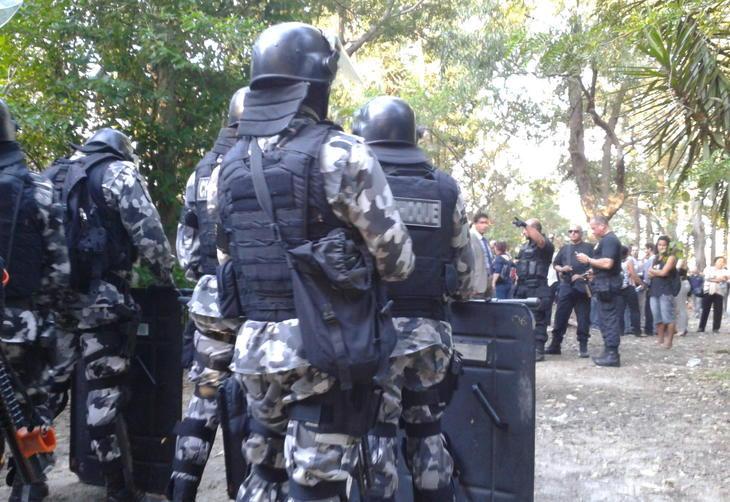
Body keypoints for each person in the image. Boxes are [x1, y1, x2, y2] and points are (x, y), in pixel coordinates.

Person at [215, 23, 414, 501]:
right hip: (322, 350)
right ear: (318, 84)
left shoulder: (228, 164)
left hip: (254, 351)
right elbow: (397, 262)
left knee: (264, 473)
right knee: (317, 485)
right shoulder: (341, 153)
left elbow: (225, 253)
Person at [352, 95, 473, 501]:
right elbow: (465, 272)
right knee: (427, 430)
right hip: (430, 334)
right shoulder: (445, 187)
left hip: (375, 335)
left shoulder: (357, 184)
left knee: (378, 432)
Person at [44, 128, 174, 501]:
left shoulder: (54, 175)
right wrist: (163, 279)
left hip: (55, 305)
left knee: (45, 395)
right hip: (103, 307)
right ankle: (119, 490)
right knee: (102, 401)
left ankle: (26, 478)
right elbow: (150, 238)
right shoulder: (119, 173)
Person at [168, 88, 247, 501]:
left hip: (210, 302)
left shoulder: (201, 171)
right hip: (258, 307)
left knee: (204, 400)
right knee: (262, 405)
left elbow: (186, 245)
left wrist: (204, 281)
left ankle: (180, 492)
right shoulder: (265, 161)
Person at [0, 99, 70, 501]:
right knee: (32, 415)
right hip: (22, 327)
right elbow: (59, 269)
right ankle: (27, 484)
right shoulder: (38, 190)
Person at [576, 215, 622, 367]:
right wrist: (593, 271)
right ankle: (608, 351)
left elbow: (608, 263)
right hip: (603, 283)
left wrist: (588, 260)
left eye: (594, 228)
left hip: (608, 284)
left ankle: (612, 354)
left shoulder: (610, 240)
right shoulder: (605, 240)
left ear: (602, 226)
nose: (593, 231)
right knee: (604, 319)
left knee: (609, 319)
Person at [546, 224, 593, 358]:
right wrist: (562, 269)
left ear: (581, 233)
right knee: (560, 315)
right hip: (566, 285)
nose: (573, 233)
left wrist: (582, 276)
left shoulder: (589, 248)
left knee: (583, 317)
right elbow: (555, 264)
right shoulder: (564, 249)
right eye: (570, 231)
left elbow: (595, 266)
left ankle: (583, 347)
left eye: (576, 231)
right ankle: (555, 345)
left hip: (582, 286)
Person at [513, 218, 555, 362]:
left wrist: (526, 225)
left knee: (538, 319)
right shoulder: (524, 247)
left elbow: (540, 240)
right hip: (522, 287)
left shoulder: (545, 245)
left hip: (537, 287)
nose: (524, 231)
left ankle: (538, 349)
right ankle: (523, 347)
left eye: (526, 228)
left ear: (534, 229)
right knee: (520, 317)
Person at [647, 236, 678, 348]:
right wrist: (656, 272)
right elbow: (649, 274)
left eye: (664, 245)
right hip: (654, 290)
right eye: (659, 245)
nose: (661, 247)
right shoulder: (655, 258)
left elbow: (664, 273)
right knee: (657, 317)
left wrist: (654, 271)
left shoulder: (671, 258)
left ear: (668, 246)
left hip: (666, 290)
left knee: (667, 317)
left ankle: (669, 342)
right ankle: (660, 340)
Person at [699, 256, 728, 333]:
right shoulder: (709, 269)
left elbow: (726, 278)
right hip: (708, 291)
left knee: (718, 310)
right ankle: (701, 327)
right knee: (705, 309)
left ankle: (716, 328)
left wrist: (714, 278)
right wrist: (718, 279)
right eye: (719, 261)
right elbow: (707, 278)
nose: (721, 263)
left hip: (719, 292)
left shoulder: (725, 271)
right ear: (715, 262)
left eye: (722, 261)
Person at [469, 211, 493, 298]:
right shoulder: (470, 237)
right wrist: (471, 285)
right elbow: (468, 262)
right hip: (476, 285)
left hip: (487, 282)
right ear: (475, 223)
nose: (485, 225)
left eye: (486, 223)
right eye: (482, 223)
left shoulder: (484, 240)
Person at [619, 246, 641, 336]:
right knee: (634, 310)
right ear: (627, 253)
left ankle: (620, 331)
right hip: (629, 286)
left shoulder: (615, 261)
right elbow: (633, 274)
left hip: (619, 288)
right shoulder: (629, 261)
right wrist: (641, 283)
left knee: (620, 311)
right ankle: (637, 331)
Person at [639, 243, 656, 335]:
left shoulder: (652, 259)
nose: (645, 251)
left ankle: (650, 328)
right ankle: (650, 328)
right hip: (650, 284)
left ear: (649, 249)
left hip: (651, 285)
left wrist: (645, 283)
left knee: (649, 307)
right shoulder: (650, 259)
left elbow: (648, 273)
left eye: (645, 249)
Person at [674, 259, 690, 337]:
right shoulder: (684, 269)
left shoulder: (678, 269)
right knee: (682, 308)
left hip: (681, 285)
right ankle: (683, 327)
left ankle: (682, 329)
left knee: (680, 309)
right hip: (684, 284)